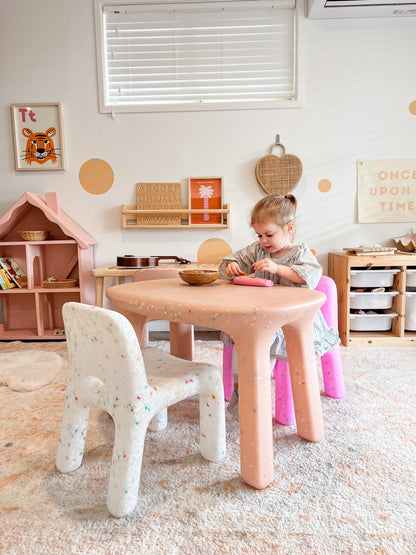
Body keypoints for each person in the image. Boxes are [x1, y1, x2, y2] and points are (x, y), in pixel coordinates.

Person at [218, 194, 340, 416]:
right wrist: (232, 265)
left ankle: (255, 393)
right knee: (243, 344)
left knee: (261, 354)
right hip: (260, 318)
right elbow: (230, 259)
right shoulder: (258, 250)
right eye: (259, 235)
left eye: (269, 234)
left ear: (289, 228)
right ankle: (242, 392)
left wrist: (278, 268)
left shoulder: (300, 253)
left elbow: (310, 277)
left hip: (291, 323)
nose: (264, 240)